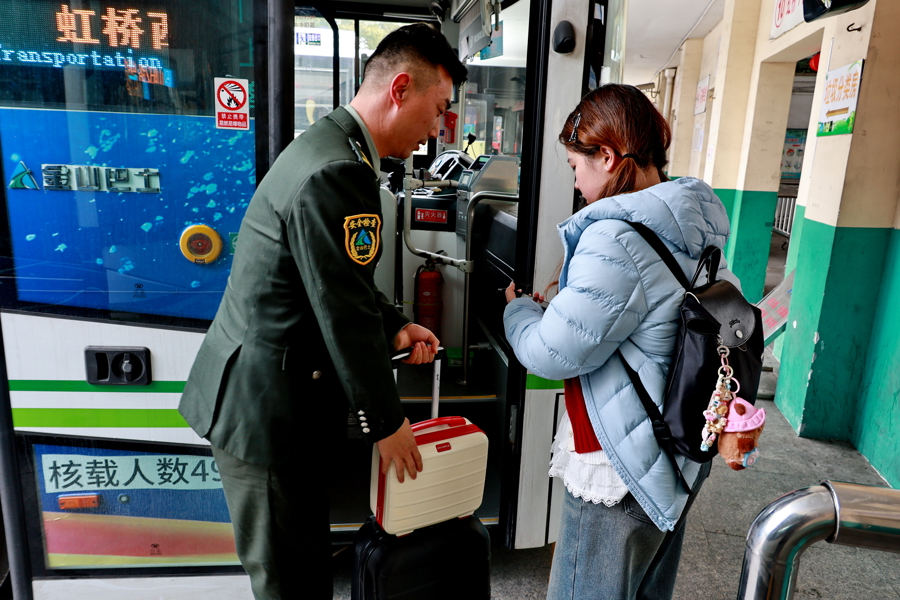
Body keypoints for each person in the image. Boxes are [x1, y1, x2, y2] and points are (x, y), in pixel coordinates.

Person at [178, 23, 467, 600]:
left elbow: (336, 280)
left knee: (303, 569)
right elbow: (342, 311)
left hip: (276, 407)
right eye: (438, 110)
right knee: (291, 584)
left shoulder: (332, 146)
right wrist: (387, 424)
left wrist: (395, 326)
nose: (436, 130)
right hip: (268, 418)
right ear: (400, 89)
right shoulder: (339, 169)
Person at [503, 84, 739, 600]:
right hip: (679, 442)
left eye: (575, 166)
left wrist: (518, 310)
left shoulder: (614, 236)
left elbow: (552, 352)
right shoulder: (694, 222)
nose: (576, 182)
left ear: (607, 156)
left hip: (620, 463)